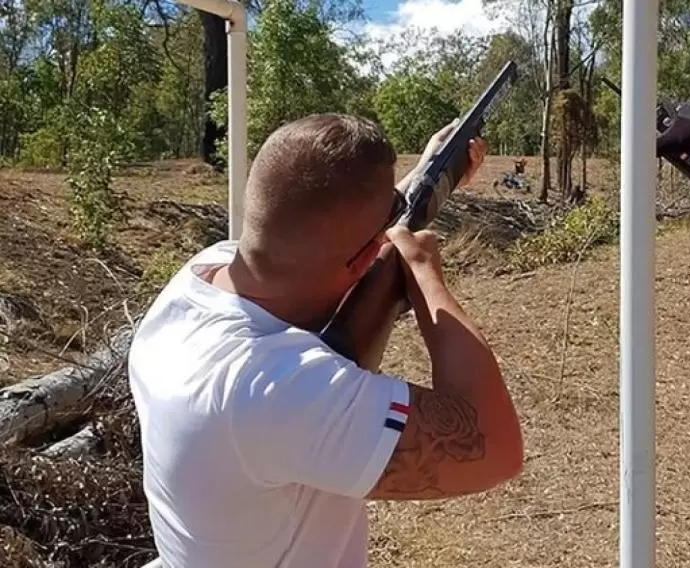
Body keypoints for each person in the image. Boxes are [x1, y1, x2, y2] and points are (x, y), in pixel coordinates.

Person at [128, 114, 524, 567]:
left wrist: (430, 175)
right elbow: (495, 448)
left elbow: (331, 236)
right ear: (363, 259)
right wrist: (425, 278)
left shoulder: (201, 278)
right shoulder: (270, 387)